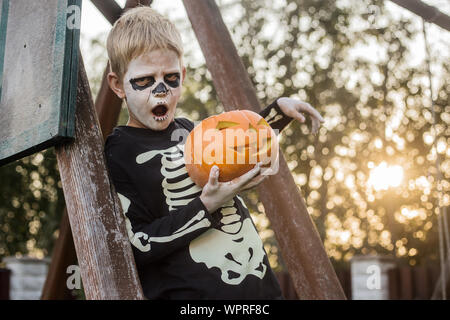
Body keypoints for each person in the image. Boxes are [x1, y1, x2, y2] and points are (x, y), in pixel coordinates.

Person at [104, 6, 324, 299]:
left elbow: (241, 141)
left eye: (170, 78)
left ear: (183, 74)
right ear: (118, 85)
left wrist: (278, 113)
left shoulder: (193, 131)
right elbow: (136, 246)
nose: (161, 91)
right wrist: (204, 206)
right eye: (144, 80)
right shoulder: (121, 151)